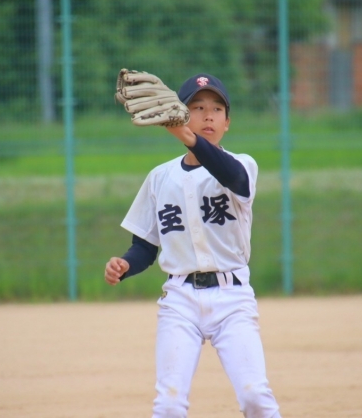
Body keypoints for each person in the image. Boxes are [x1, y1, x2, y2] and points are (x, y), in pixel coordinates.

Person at [105, 73, 281, 417]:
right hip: (180, 300)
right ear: (180, 114)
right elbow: (145, 247)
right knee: (169, 404)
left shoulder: (243, 165)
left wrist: (185, 134)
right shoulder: (160, 177)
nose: (208, 115)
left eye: (217, 109)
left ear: (228, 122)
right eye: (197, 108)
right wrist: (125, 264)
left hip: (233, 298)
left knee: (255, 397)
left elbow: (231, 176)